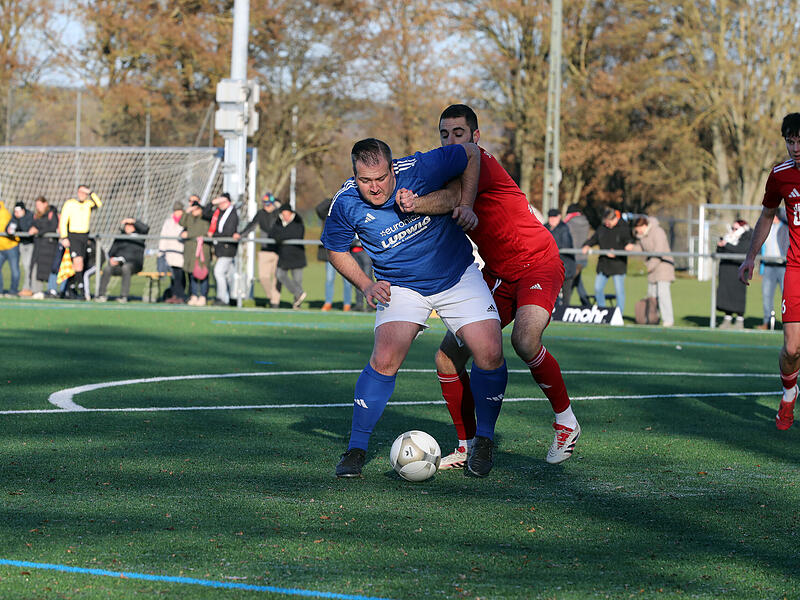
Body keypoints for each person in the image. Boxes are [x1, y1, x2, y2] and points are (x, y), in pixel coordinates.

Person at [397, 104, 580, 470]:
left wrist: (414, 203)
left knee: (525, 341)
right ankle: (466, 444)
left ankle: (566, 421)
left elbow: (449, 199)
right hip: (497, 274)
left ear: (475, 137)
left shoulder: (478, 162)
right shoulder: (450, 168)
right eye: (445, 135)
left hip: (537, 263)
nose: (452, 141)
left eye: (459, 134)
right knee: (447, 358)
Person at [322, 136, 507, 479]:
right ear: (354, 176)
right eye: (365, 181)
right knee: (384, 358)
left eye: (381, 178)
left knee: (490, 352)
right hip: (401, 286)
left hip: (456, 275)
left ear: (393, 169)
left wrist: (466, 203)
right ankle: (356, 448)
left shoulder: (419, 168)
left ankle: (484, 440)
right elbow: (335, 248)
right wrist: (365, 284)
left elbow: (469, 152)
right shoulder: (346, 203)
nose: (374, 188)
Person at [739, 112, 800, 430]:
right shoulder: (780, 175)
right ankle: (789, 393)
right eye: (791, 141)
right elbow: (766, 216)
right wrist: (750, 257)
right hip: (796, 269)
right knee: (792, 348)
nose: (796, 147)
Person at [625, 216, 675, 327]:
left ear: (644, 226)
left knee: (663, 295)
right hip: (652, 269)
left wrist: (649, 266)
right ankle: (652, 318)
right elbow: (642, 248)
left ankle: (668, 320)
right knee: (651, 295)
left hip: (663, 267)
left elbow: (659, 251)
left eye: (638, 228)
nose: (637, 231)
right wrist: (632, 248)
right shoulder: (642, 236)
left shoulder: (658, 232)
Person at [581, 207, 633, 314]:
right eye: (606, 222)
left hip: (618, 265)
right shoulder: (602, 228)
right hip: (604, 264)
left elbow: (629, 244)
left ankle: (619, 314)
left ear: (614, 219)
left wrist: (618, 251)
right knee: (598, 288)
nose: (607, 224)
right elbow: (594, 239)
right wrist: (586, 245)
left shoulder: (624, 228)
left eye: (609, 222)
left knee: (619, 291)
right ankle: (602, 311)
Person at [59, 184, 102, 299]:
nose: (82, 195)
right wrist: (64, 237)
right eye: (80, 192)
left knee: (78, 265)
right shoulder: (70, 204)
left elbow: (99, 204)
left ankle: (70, 288)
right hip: (73, 236)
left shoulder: (88, 204)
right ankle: (81, 289)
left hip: (84, 236)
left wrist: (91, 192)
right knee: (78, 262)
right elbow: (63, 220)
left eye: (84, 193)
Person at [240, 192, 282, 308]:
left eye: (269, 204)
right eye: (265, 204)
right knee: (263, 277)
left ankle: (275, 302)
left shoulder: (278, 214)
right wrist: (241, 235)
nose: (266, 206)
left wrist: (278, 209)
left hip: (278, 250)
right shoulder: (260, 214)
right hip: (265, 250)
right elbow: (252, 226)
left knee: (277, 278)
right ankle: (271, 297)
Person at [95, 218, 149, 303]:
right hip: (118, 265)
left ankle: (123, 296)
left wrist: (133, 221)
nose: (127, 227)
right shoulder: (120, 238)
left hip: (134, 264)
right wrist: (112, 259)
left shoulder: (139, 237)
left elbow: (146, 228)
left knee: (126, 267)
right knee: (107, 268)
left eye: (130, 225)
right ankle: (101, 295)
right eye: (126, 225)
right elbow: (111, 252)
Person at [316, 197, 353, 311]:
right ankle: (328, 303)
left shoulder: (347, 215)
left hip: (345, 252)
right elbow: (319, 209)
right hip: (331, 253)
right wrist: (333, 199)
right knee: (329, 279)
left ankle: (347, 304)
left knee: (347, 280)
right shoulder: (328, 215)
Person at [205, 193, 240, 306]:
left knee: (218, 272)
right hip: (220, 248)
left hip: (227, 248)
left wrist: (213, 235)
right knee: (228, 275)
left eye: (222, 202)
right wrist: (212, 203)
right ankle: (231, 298)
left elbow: (228, 233)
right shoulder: (218, 213)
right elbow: (205, 213)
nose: (219, 205)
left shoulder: (232, 214)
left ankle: (222, 298)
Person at [756, 212, 789, 329]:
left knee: (787, 296)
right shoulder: (766, 228)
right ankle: (767, 322)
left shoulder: (785, 227)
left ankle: (789, 323)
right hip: (768, 266)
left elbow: (786, 215)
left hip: (783, 266)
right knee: (766, 295)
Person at [271, 204, 307, 310]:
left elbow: (297, 234)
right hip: (284, 255)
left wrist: (281, 236)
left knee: (297, 280)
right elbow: (272, 234)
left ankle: (297, 303)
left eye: (288, 214)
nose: (286, 216)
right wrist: (282, 236)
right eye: (284, 214)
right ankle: (298, 293)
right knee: (279, 274)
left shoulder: (298, 222)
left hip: (297, 256)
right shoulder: (278, 222)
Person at [717, 219, 751, 329]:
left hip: (739, 271)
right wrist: (721, 245)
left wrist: (726, 245)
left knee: (738, 294)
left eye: (736, 229)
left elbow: (741, 250)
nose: (733, 231)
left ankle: (739, 320)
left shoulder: (747, 237)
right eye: (732, 228)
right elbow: (720, 252)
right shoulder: (728, 237)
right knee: (726, 294)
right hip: (727, 270)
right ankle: (727, 318)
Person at [180, 196, 213, 306]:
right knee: (192, 273)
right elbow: (181, 222)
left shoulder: (205, 217)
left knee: (203, 273)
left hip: (202, 250)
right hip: (190, 250)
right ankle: (194, 295)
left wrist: (188, 235)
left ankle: (203, 296)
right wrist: (187, 211)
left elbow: (203, 232)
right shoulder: (189, 217)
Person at [29, 196, 60, 299]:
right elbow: (32, 225)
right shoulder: (36, 215)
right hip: (39, 246)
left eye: (39, 205)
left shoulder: (52, 214)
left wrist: (39, 231)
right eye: (36, 205)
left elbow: (52, 226)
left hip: (49, 246)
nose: (38, 207)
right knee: (36, 268)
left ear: (45, 203)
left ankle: (51, 290)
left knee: (50, 269)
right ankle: (37, 291)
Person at [545, 208, 576, 307]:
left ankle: (565, 311)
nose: (552, 220)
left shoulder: (564, 228)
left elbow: (566, 245)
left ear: (559, 217)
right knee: (552, 292)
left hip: (566, 265)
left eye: (554, 217)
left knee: (566, 292)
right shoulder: (545, 227)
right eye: (550, 217)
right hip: (551, 267)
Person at [158, 201, 186, 304]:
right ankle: (175, 295)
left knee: (180, 276)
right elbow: (163, 237)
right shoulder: (168, 222)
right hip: (170, 253)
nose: (177, 213)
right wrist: (161, 252)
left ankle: (180, 295)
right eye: (176, 211)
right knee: (174, 276)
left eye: (179, 211)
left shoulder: (185, 221)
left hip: (181, 253)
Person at [564, 204, 592, 306]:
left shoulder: (569, 223)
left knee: (569, 281)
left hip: (573, 258)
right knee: (577, 281)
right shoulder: (586, 222)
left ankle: (565, 305)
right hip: (583, 257)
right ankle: (586, 303)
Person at [10, 202, 34, 296]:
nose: (16, 213)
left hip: (31, 244)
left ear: (23, 210)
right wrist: (9, 228)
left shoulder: (29, 216)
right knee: (24, 266)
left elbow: (25, 229)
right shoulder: (15, 217)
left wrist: (20, 218)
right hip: (21, 244)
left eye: (18, 211)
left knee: (28, 266)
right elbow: (10, 226)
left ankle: (27, 288)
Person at [0, 200, 20, 297]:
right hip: (1, 248)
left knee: (14, 270)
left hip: (11, 247)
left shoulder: (4, 214)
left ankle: (13, 291)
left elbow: (4, 228)